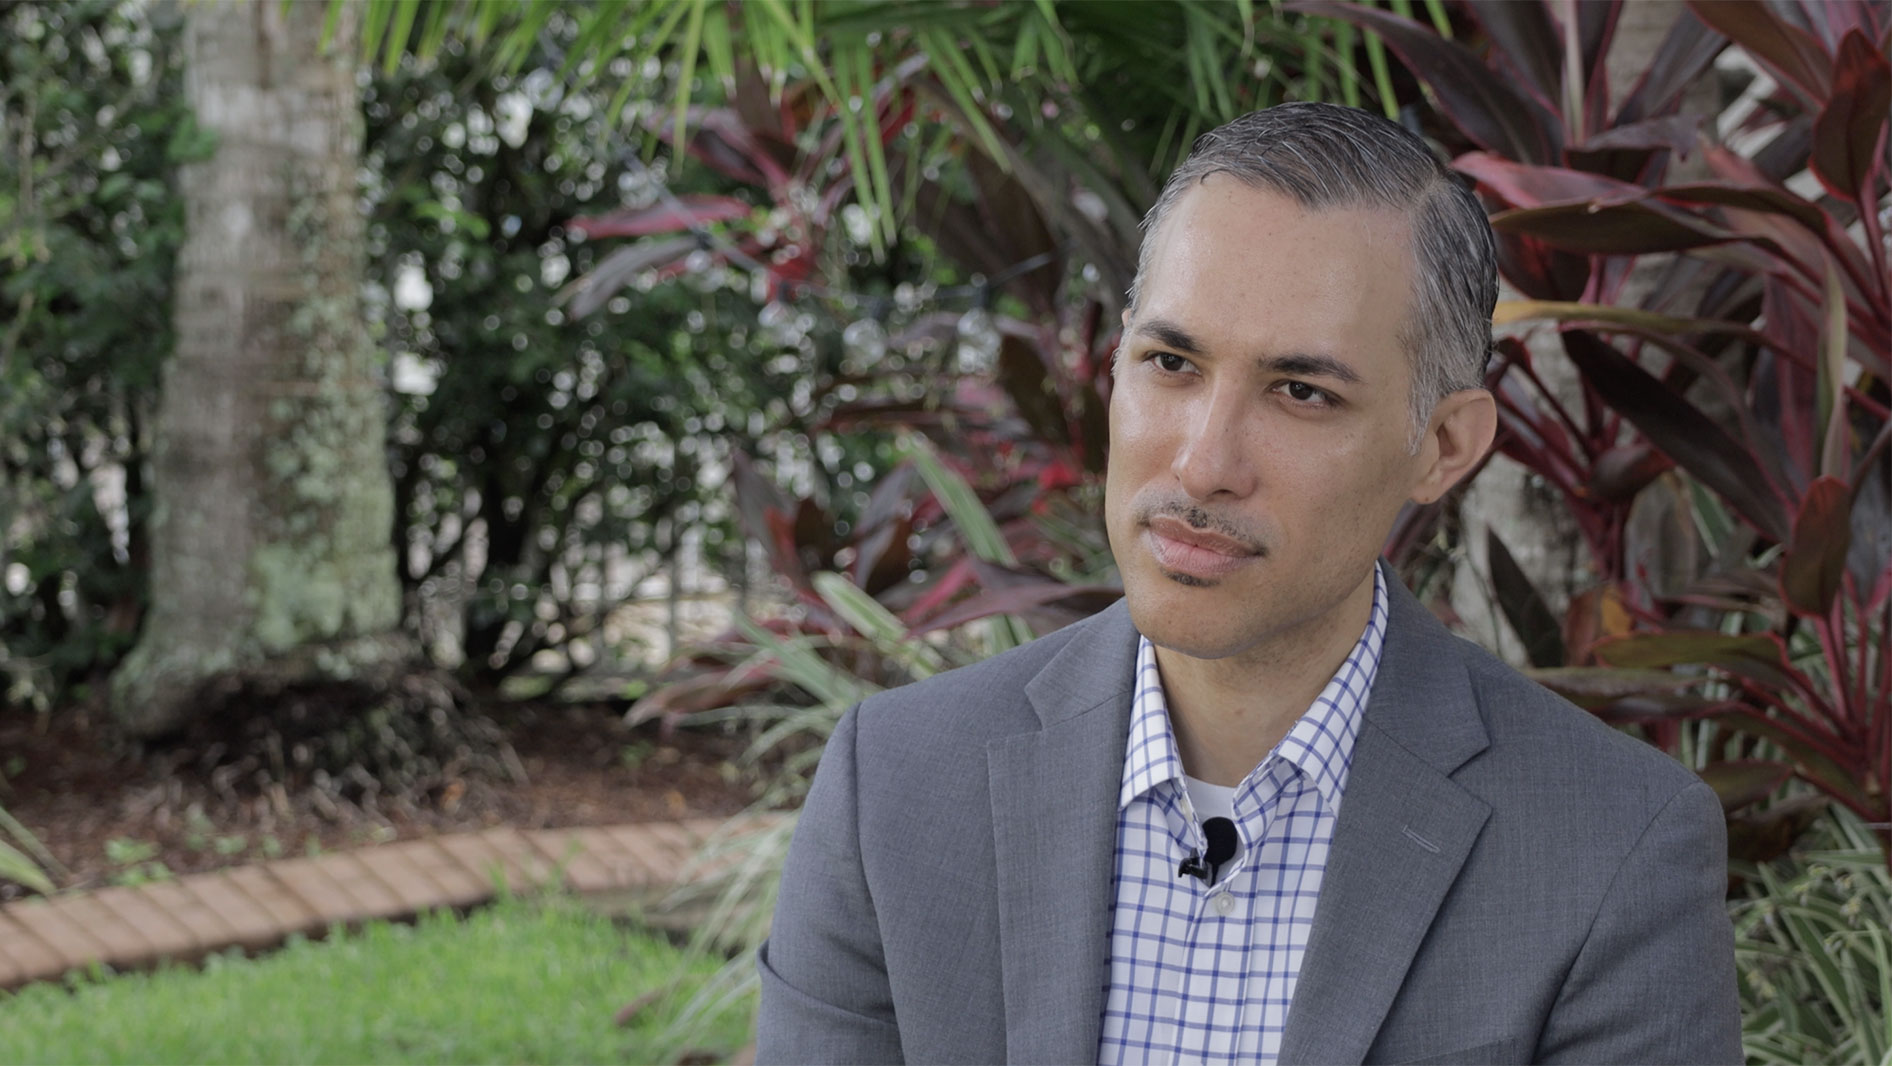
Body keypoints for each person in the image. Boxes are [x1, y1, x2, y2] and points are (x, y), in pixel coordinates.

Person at [755, 102, 1741, 1066]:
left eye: (1300, 391)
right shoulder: (893, 788)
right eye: (1170, 361)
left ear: (1441, 446)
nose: (1200, 463)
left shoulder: (1610, 848)